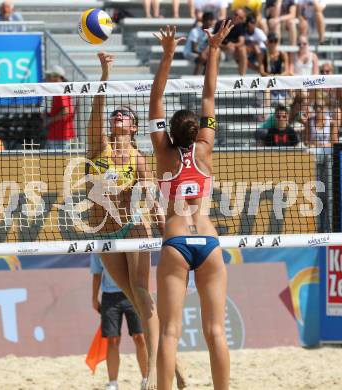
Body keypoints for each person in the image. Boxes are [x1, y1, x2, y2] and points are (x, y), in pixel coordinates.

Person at [86, 52, 186, 390]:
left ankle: (159, 375)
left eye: (125, 115)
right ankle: (176, 367)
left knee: (142, 294)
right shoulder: (97, 147)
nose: (117, 116)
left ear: (134, 127)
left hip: (132, 229)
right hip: (105, 233)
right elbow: (97, 109)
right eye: (116, 114)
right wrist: (105, 73)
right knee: (135, 298)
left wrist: (162, 224)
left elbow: (152, 194)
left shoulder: (139, 158)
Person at [149, 22, 233, 389]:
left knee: (169, 332)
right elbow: (210, 97)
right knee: (215, 331)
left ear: (169, 132)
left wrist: (168, 56)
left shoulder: (163, 154)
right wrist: (213, 50)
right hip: (209, 243)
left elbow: (155, 99)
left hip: (177, 242)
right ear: (198, 131)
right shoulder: (205, 149)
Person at [91, 255, 148, 390]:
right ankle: (113, 383)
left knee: (139, 337)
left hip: (132, 292)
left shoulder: (128, 237)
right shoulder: (98, 246)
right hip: (109, 296)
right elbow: (97, 273)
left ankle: (146, 378)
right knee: (112, 340)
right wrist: (94, 298)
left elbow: (141, 268)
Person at [45, 65, 75, 150]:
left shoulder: (61, 89)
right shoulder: (59, 89)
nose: (46, 78)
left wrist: (50, 120)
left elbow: (66, 111)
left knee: (60, 161)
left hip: (61, 135)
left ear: (57, 77)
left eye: (49, 76)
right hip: (58, 134)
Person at [215, 8, 247, 75]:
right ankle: (214, 76)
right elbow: (214, 42)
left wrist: (232, 45)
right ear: (232, 14)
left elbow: (242, 42)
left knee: (243, 49)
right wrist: (226, 46)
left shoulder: (241, 26)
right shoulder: (220, 24)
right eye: (236, 15)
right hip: (222, 49)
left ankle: (242, 76)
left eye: (240, 17)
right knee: (216, 50)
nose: (237, 18)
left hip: (233, 50)